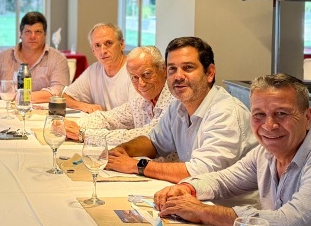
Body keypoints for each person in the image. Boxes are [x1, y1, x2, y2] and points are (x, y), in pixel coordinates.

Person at [154, 74, 311, 226]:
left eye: (281, 114)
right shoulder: (265, 153)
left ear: (308, 117)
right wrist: (188, 188)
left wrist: (202, 211)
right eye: (259, 115)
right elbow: (224, 180)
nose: (269, 125)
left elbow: (285, 225)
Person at [107, 37, 257, 183]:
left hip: (226, 200)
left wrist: (136, 166)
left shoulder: (226, 112)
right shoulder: (178, 107)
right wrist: (123, 150)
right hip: (194, 195)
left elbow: (201, 173)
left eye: (188, 68)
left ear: (210, 73)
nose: (178, 76)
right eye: (172, 69)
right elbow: (154, 142)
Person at [55, 45, 175, 145]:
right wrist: (72, 126)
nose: (141, 83)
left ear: (163, 69)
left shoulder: (173, 100)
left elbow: (145, 136)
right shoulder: (141, 100)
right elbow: (109, 118)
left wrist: (83, 134)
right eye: (134, 77)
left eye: (147, 74)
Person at [0, 11, 69, 103]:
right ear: (20, 34)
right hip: (6, 111)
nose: (33, 36)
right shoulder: (2, 58)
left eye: (38, 32)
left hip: (44, 111)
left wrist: (20, 98)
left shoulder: (58, 59)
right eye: (28, 32)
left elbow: (59, 92)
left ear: (45, 35)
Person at [62, 22, 135, 112]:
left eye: (108, 43)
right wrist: (82, 106)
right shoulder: (93, 71)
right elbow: (64, 97)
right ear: (93, 51)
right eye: (97, 45)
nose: (103, 51)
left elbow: (134, 112)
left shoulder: (135, 71)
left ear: (122, 44)